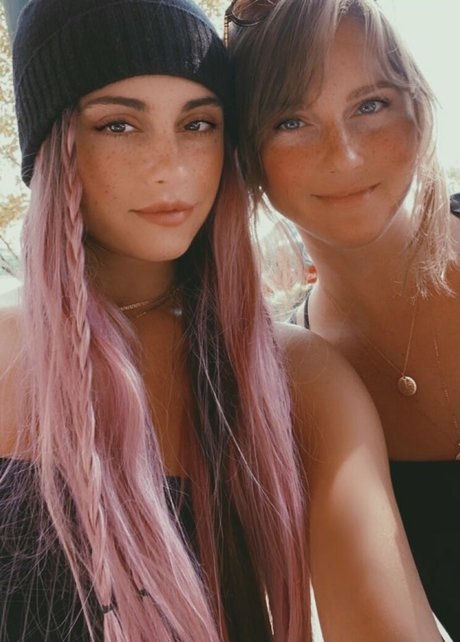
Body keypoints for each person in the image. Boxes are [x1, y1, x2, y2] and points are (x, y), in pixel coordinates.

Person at [0, 0, 443, 640]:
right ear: (52, 142)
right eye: (118, 125)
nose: (171, 166)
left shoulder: (299, 378)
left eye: (198, 123)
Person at [228, 0, 460, 638]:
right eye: (292, 120)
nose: (345, 155)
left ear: (416, 106)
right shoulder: (299, 387)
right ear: (246, 155)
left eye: (370, 104)